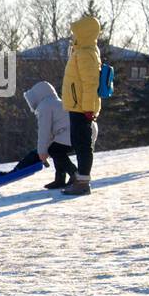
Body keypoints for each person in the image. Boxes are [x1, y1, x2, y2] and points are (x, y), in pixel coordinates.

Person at [61, 14, 102, 196]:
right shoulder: (82, 51)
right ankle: (81, 178)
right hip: (77, 106)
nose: (73, 36)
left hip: (81, 108)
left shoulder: (86, 53)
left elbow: (90, 83)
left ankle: (83, 182)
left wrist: (88, 108)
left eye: (76, 33)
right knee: (78, 143)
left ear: (84, 34)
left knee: (83, 144)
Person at [24, 81, 75, 189]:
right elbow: (52, 134)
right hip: (76, 133)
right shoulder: (55, 102)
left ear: (37, 96)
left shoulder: (45, 106)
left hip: (71, 134)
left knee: (54, 150)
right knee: (56, 149)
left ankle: (75, 174)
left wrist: (42, 152)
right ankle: (60, 179)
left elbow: (44, 131)